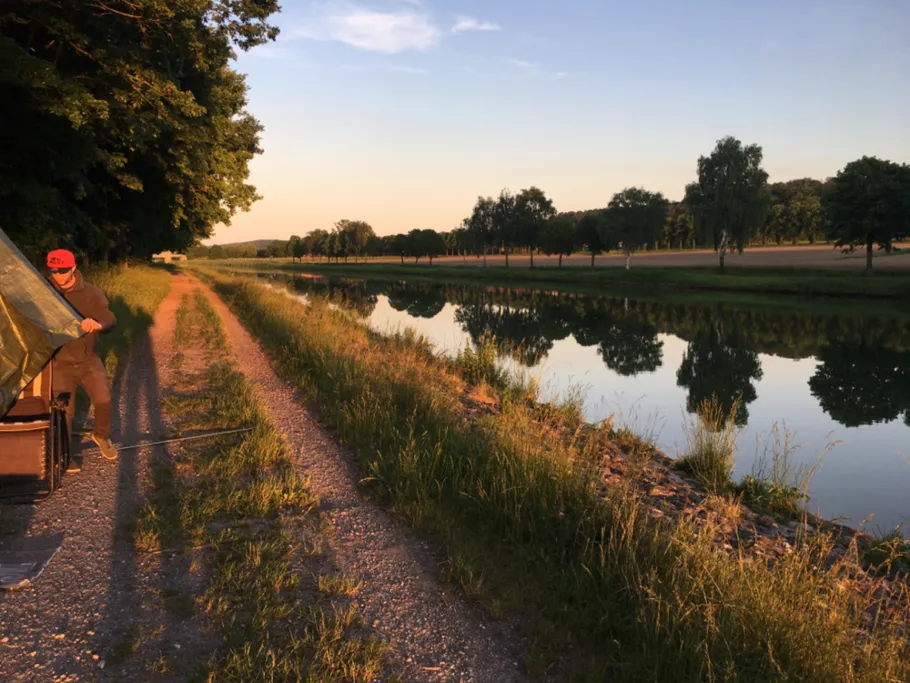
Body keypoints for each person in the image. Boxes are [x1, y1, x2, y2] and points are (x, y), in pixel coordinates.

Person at [46, 249, 118, 460]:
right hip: (59, 362)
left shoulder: (91, 292)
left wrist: (97, 324)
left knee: (104, 399)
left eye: (62, 271)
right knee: (64, 412)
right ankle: (65, 455)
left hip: (88, 359)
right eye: (53, 271)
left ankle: (101, 436)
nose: (57, 275)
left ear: (73, 268)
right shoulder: (44, 291)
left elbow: (109, 318)